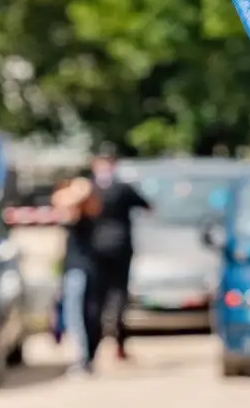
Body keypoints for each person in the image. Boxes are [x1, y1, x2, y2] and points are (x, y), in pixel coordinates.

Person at [87, 147, 151, 361]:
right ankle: (117, 339)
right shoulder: (123, 188)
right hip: (119, 246)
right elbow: (148, 206)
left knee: (98, 295)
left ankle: (95, 344)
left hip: (95, 247)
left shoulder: (89, 188)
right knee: (118, 294)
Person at [54, 176, 105, 376]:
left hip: (79, 271)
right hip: (80, 269)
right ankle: (84, 358)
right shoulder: (84, 213)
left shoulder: (85, 214)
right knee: (80, 315)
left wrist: (77, 188)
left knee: (76, 316)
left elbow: (70, 197)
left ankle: (81, 358)